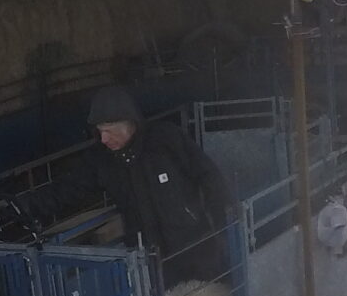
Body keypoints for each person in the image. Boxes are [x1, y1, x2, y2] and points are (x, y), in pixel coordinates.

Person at [86, 85, 235, 284]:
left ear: (128, 124)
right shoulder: (105, 161)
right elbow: (69, 188)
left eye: (109, 131)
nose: (103, 139)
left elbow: (208, 174)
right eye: (100, 131)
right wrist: (30, 206)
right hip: (156, 264)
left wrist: (222, 221)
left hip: (196, 247)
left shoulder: (166, 139)